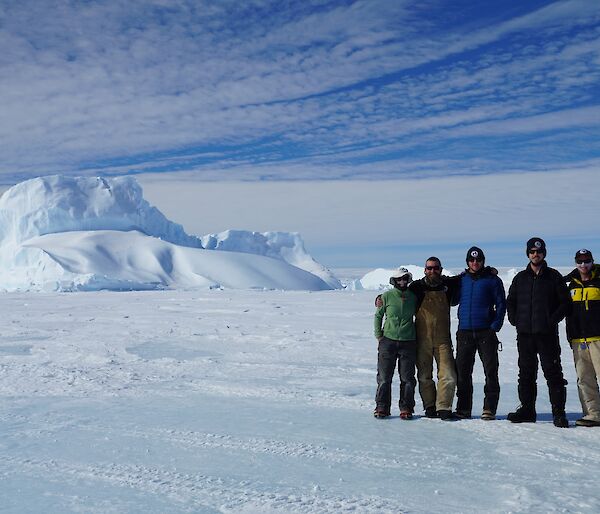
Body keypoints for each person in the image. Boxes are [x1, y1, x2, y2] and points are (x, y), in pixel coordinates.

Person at [378, 257, 461, 419]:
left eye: (436, 268)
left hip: (443, 339)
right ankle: (430, 406)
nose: (432, 271)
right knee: (424, 375)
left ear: (441, 269)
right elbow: (399, 292)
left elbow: (464, 276)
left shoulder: (448, 286)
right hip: (421, 338)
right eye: (429, 268)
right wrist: (381, 297)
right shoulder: (417, 287)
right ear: (424, 270)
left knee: (448, 374)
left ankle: (443, 407)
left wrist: (488, 271)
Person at [506, 237, 572, 427]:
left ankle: (559, 413)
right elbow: (511, 301)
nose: (536, 254)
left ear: (544, 253)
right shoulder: (520, 278)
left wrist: (550, 321)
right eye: (532, 252)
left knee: (553, 373)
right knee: (526, 373)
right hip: (525, 335)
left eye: (539, 251)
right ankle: (527, 410)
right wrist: (514, 318)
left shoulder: (553, 276)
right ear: (528, 254)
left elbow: (565, 303)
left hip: (547, 335)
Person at [454, 247, 506, 421]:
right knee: (462, 372)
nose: (475, 263)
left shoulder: (492, 280)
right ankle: (463, 409)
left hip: (486, 332)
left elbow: (501, 304)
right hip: (465, 332)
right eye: (471, 260)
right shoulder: (461, 280)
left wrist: (495, 326)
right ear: (467, 262)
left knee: (490, 371)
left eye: (478, 260)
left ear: (483, 261)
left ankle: (489, 408)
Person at [373, 267, 418, 419]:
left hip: (408, 341)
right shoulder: (386, 296)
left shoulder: (414, 297)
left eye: (405, 278)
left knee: (408, 379)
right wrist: (379, 335)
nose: (402, 281)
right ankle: (382, 407)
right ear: (394, 281)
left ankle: (406, 408)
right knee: (384, 378)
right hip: (388, 341)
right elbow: (378, 316)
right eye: (399, 279)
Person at [564, 249, 600, 427]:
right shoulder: (570, 285)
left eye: (587, 261)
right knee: (584, 378)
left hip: (598, 338)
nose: (583, 265)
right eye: (580, 262)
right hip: (578, 339)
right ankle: (592, 414)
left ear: (592, 261)